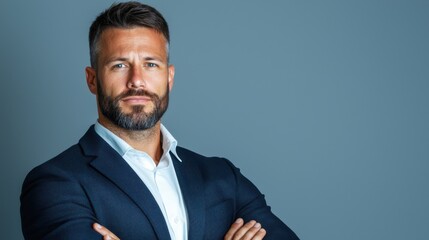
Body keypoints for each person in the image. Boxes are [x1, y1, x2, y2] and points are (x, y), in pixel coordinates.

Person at [20, 2, 299, 240]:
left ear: (169, 77)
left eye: (151, 64)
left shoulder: (222, 177)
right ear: (93, 80)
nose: (137, 81)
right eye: (119, 65)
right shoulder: (55, 183)